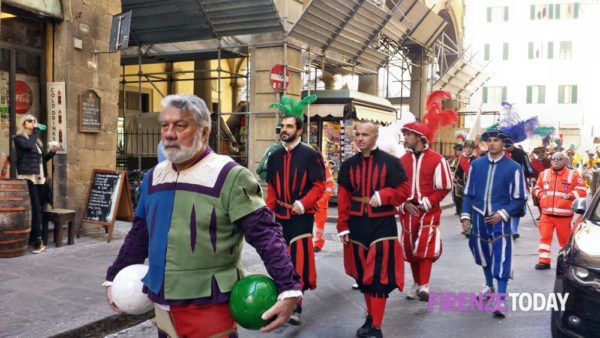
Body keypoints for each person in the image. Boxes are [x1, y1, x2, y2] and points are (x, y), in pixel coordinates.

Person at [105, 95, 301, 337]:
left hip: (210, 306)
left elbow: (265, 234)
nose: (169, 134)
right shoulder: (153, 177)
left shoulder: (230, 175)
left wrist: (288, 288)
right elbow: (139, 235)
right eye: (165, 125)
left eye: (180, 125)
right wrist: (115, 277)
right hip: (162, 306)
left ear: (204, 132)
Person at [337, 121, 410, 338]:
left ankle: (377, 326)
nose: (360, 138)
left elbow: (404, 190)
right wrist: (342, 226)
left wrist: (384, 195)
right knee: (362, 275)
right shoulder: (348, 165)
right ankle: (370, 317)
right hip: (357, 225)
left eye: (365, 135)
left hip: (383, 225)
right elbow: (343, 198)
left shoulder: (391, 163)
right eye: (357, 134)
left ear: (375, 136)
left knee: (379, 275)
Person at [265, 114, 325, 325]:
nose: (285, 129)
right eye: (283, 126)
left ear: (299, 131)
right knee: (280, 259)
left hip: (302, 216)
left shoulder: (311, 155)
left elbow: (319, 185)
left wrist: (304, 203)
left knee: (298, 260)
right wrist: (267, 210)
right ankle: (281, 301)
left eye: (290, 126)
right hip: (280, 216)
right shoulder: (274, 156)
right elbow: (271, 187)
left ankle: (296, 306)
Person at [461, 129, 527, 318]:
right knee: (482, 254)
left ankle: (500, 298)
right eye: (489, 140)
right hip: (479, 217)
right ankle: (489, 286)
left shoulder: (514, 167)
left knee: (502, 257)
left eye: (496, 140)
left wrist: (503, 213)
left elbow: (519, 198)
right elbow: (468, 193)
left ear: (503, 144)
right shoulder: (476, 165)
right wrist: (466, 216)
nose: (492, 144)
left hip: (501, 220)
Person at [399, 124, 453, 302]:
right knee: (409, 248)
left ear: (418, 137)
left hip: (428, 210)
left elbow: (444, 186)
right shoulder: (401, 160)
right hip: (408, 211)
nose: (405, 138)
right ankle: (416, 283)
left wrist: (427, 202)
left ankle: (424, 285)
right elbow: (395, 188)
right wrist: (403, 203)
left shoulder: (437, 159)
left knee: (425, 246)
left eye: (408, 135)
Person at [532, 152, 587, 270]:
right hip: (546, 214)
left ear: (565, 161)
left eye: (559, 159)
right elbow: (536, 188)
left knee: (565, 241)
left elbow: (582, 190)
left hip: (564, 215)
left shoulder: (574, 175)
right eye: (553, 159)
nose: (556, 160)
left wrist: (571, 195)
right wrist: (541, 195)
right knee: (544, 238)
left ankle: (566, 262)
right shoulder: (544, 174)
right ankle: (544, 260)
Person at [13, 114, 59, 254]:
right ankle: (38, 242)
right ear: (23, 123)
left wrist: (52, 152)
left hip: (39, 178)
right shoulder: (19, 139)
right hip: (28, 177)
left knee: (38, 208)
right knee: (34, 209)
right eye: (30, 120)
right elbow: (27, 146)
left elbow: (41, 160)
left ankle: (34, 238)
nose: (33, 122)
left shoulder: (37, 142)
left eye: (35, 120)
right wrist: (37, 131)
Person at [505, 141, 534, 239]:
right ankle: (507, 228)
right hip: (504, 184)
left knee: (518, 205)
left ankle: (514, 230)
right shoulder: (501, 153)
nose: (508, 146)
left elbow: (527, 165)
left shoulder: (521, 153)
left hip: (519, 182)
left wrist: (530, 176)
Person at [454, 140, 477, 236]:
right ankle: (465, 225)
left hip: (471, 187)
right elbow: (455, 171)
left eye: (471, 147)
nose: (468, 149)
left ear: (473, 149)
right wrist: (456, 178)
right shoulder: (459, 159)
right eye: (467, 147)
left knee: (470, 207)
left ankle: (468, 227)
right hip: (461, 186)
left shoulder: (476, 160)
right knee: (461, 207)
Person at [313, 154, 334, 252]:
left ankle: (318, 245)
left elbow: (329, 188)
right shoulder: (310, 165)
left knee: (319, 226)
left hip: (320, 203)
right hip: (311, 202)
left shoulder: (325, 168)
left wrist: (321, 201)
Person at [530, 147, 551, 218]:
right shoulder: (533, 162)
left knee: (547, 197)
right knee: (537, 198)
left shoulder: (548, 161)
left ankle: (547, 213)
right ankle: (541, 213)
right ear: (536, 154)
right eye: (539, 153)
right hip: (537, 181)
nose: (541, 154)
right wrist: (532, 177)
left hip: (547, 182)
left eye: (542, 152)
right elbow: (531, 171)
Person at [449, 143, 463, 215]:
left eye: (458, 150)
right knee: (455, 196)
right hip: (454, 180)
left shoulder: (463, 160)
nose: (457, 152)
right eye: (456, 150)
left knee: (460, 196)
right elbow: (451, 168)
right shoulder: (454, 160)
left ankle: (461, 210)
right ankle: (458, 210)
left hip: (461, 181)